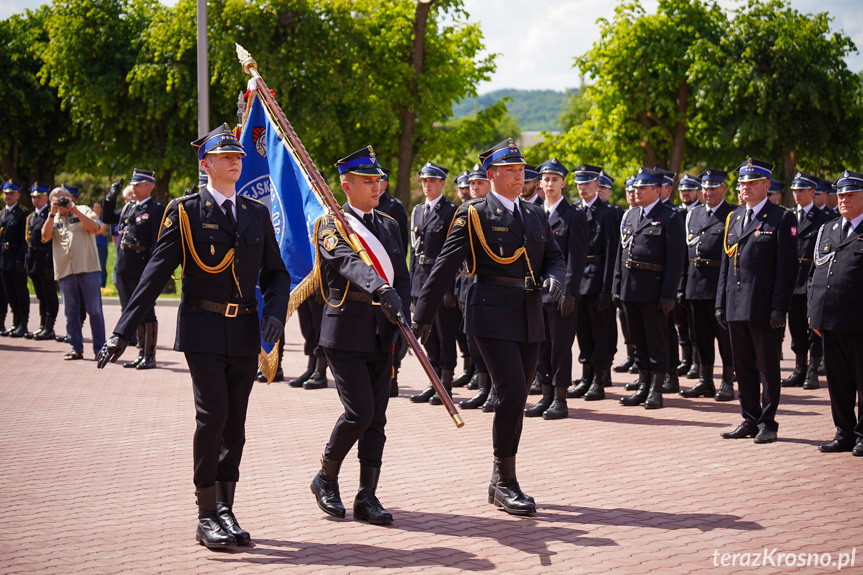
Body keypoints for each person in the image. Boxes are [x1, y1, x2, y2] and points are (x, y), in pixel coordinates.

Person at [97, 124, 290, 548]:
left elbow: (277, 272)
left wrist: (276, 313)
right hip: (202, 329)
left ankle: (226, 508)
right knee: (213, 416)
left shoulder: (255, 213)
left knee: (235, 425)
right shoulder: (184, 212)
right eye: (226, 157)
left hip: (244, 331)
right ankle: (206, 514)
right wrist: (121, 332)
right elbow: (154, 274)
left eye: (238, 157)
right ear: (206, 165)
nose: (236, 162)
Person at [412, 138, 565, 516]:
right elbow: (443, 267)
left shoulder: (533, 214)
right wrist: (421, 319)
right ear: (492, 175)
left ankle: (501, 480)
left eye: (521, 170)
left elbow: (554, 257)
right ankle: (504, 481)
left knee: (517, 397)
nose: (520, 176)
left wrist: (556, 278)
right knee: (511, 392)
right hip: (490, 313)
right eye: (512, 171)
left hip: (529, 314)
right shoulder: (473, 213)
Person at [309, 146, 410, 525]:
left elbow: (402, 275)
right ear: (346, 185)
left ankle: (367, 495)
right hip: (345, 331)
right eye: (367, 181)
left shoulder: (388, 224)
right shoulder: (332, 224)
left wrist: (406, 315)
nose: (376, 187)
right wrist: (382, 290)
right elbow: (349, 263)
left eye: (378, 180)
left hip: (384, 331)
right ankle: (326, 477)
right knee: (359, 412)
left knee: (378, 418)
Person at [716, 158, 797, 444]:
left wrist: (780, 307)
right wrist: (720, 303)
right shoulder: (735, 218)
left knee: (767, 367)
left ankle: (768, 422)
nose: (745, 189)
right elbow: (726, 265)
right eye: (742, 184)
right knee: (743, 367)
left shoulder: (781, 218)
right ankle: (749, 418)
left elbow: (787, 269)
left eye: (751, 183)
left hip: (764, 308)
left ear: (766, 185)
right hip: (736, 305)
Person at [614, 167, 685, 409]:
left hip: (654, 290)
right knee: (637, 340)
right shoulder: (632, 215)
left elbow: (676, 260)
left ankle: (656, 388)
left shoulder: (671, 216)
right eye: (636, 188)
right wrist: (616, 285)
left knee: (657, 341)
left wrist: (668, 294)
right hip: (630, 289)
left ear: (657, 191)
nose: (637, 191)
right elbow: (621, 252)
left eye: (643, 188)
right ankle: (643, 385)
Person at [527, 158, 587, 419]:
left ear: (563, 182)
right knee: (540, 347)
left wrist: (570, 292)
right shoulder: (533, 212)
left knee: (560, 347)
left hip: (561, 294)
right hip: (535, 293)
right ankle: (546, 394)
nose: (549, 184)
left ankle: (561, 399)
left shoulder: (574, 215)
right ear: (540, 183)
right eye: (545, 179)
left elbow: (576, 257)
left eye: (554, 179)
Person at [809, 170, 863, 456]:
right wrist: (813, 313)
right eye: (841, 195)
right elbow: (814, 274)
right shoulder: (828, 229)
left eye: (851, 195)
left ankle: (862, 435)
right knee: (838, 381)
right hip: (829, 320)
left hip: (858, 321)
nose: (844, 200)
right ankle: (844, 432)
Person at [678, 170, 736, 401]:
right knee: (699, 337)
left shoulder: (733, 214)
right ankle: (705, 380)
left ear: (723, 189)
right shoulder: (694, 214)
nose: (708, 192)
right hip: (695, 284)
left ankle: (728, 381)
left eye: (713, 188)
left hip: (718, 285)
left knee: (725, 338)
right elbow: (685, 253)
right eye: (705, 188)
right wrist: (682, 286)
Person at [101, 169, 165, 370]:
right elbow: (108, 217)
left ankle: (150, 355)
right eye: (133, 184)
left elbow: (157, 242)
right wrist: (110, 197)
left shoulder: (155, 209)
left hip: (141, 267)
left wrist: (152, 272)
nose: (134, 188)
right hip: (124, 266)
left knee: (146, 311)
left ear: (149, 186)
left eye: (138, 184)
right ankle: (140, 353)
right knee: (131, 310)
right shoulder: (129, 207)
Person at [408, 161, 459, 406]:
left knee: (444, 334)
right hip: (419, 280)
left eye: (432, 181)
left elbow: (455, 255)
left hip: (439, 283)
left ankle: (446, 384)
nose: (427, 185)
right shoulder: (418, 211)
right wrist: (409, 287)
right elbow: (413, 250)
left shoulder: (451, 211)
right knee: (428, 338)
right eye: (424, 181)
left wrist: (448, 289)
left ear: (442, 183)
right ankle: (433, 381)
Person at [570, 164, 620, 400]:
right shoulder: (574, 210)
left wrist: (608, 288)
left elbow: (612, 253)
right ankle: (586, 376)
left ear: (597, 185)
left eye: (587, 183)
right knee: (584, 332)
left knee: (600, 332)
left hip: (598, 279)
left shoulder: (607, 213)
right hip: (578, 280)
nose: (582, 188)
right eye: (579, 183)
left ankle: (599, 380)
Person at [781, 171, 834, 390]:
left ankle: (813, 369)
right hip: (793, 280)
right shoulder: (788, 216)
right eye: (794, 190)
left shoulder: (825, 219)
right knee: (795, 326)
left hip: (812, 279)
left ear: (813, 192)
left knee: (814, 328)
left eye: (801, 190)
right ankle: (799, 368)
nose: (797, 194)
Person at [40, 185, 105, 359]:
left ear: (71, 198)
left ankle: (100, 349)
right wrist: (52, 213)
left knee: (95, 311)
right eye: (56, 199)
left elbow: (95, 228)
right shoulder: (52, 217)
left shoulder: (83, 210)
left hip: (88, 268)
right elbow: (45, 237)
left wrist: (74, 209)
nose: (61, 202)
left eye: (63, 198)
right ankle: (76, 348)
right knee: (71, 313)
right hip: (65, 271)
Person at [24, 183, 59, 341]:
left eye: (39, 197)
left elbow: (51, 241)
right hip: (34, 259)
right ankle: (42, 325)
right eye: (33, 197)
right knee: (40, 295)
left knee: (49, 295)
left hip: (46, 259)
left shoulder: (50, 215)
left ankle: (49, 327)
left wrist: (50, 264)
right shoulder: (32, 216)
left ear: (46, 198)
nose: (36, 200)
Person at [0, 180, 30, 337]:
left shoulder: (23, 213)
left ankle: (22, 324)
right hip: (3, 258)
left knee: (20, 291)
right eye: (6, 193)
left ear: (18, 195)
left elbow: (25, 240)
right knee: (8, 292)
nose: (8, 196)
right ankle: (14, 322)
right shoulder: (2, 213)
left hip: (16, 258)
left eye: (11, 193)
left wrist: (21, 259)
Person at [91, 201, 110, 288]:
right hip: (91, 244)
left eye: (99, 207)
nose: (97, 209)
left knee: (102, 264)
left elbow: (102, 230)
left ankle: (102, 285)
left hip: (102, 244)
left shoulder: (104, 219)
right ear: (93, 208)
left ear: (101, 209)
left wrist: (93, 231)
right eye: (95, 207)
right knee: (92, 264)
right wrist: (98, 231)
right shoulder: (90, 218)